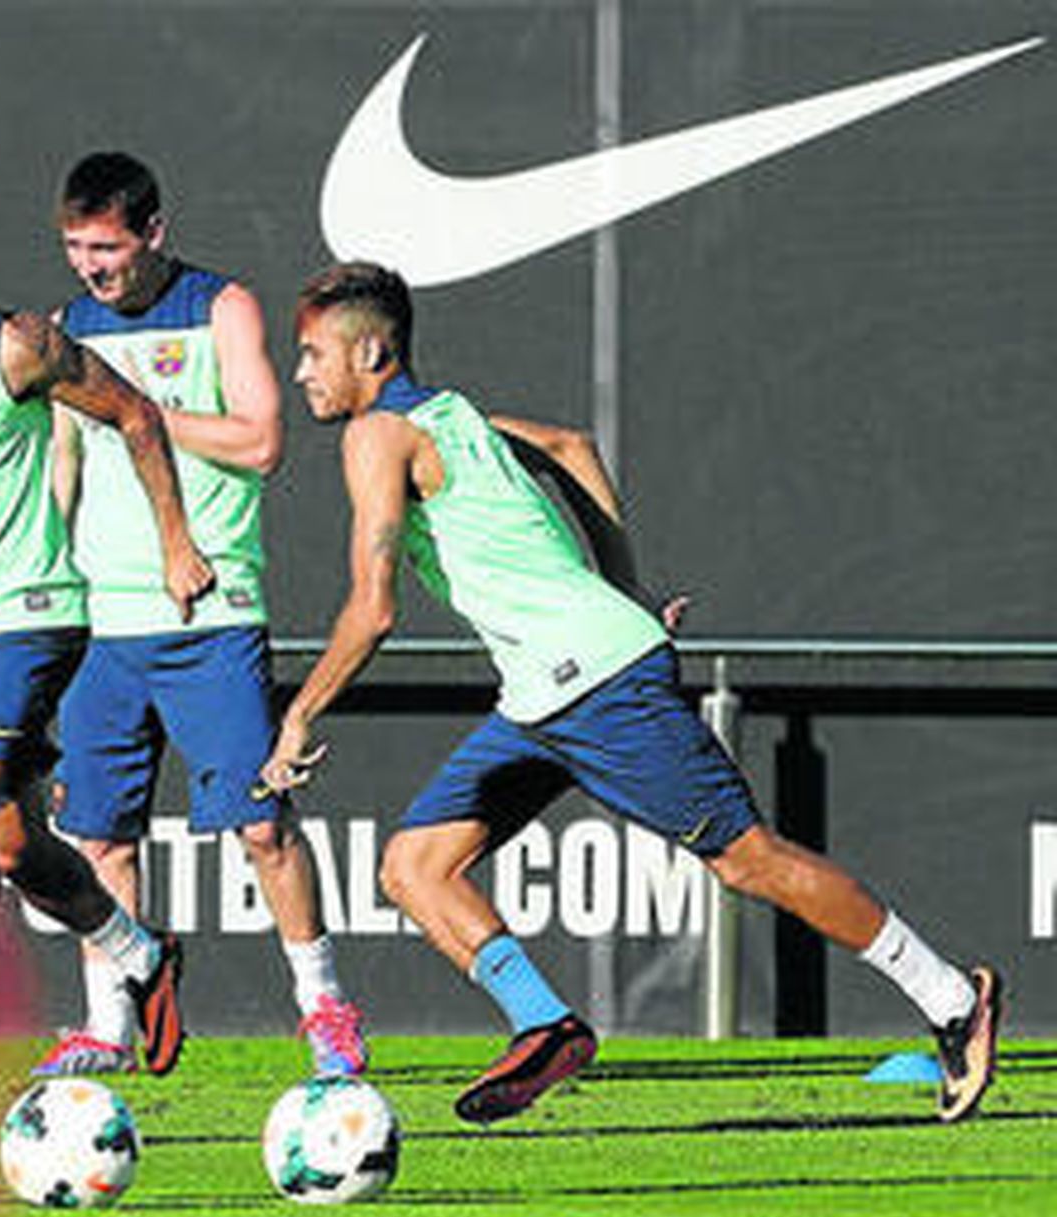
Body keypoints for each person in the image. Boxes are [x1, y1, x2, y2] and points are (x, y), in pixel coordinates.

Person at [261, 260, 1003, 1127]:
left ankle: (953, 998)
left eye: (313, 353)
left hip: (598, 686)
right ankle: (546, 1024)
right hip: (546, 694)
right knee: (415, 865)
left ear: (373, 350)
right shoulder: (454, 415)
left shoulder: (374, 437)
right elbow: (574, 445)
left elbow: (371, 606)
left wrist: (301, 714)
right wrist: (628, 595)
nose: (302, 372)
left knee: (747, 858)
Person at [46, 152, 368, 1077]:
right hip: (104, 627)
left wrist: (137, 411)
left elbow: (264, 440)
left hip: (210, 613)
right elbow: (65, 463)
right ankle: (108, 1021)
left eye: (106, 248)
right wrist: (60, 572)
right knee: (98, 835)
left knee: (262, 825)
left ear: (153, 232)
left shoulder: (221, 307)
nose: (92, 267)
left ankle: (325, 1007)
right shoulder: (70, 325)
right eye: (75, 248)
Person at [0, 241, 215, 1090]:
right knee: (12, 845)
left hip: (26, 614)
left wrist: (174, 541)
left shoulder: (10, 344)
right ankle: (141, 951)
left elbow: (135, 414)